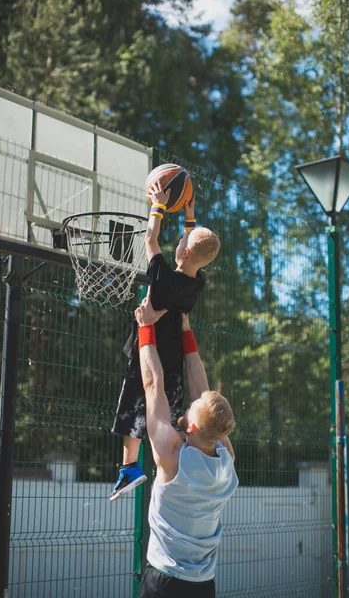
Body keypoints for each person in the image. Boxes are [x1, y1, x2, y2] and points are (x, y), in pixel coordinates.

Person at [110, 179, 221, 501]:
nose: (181, 237)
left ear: (183, 250)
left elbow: (150, 237)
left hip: (147, 352)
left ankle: (129, 468)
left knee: (133, 409)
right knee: (167, 414)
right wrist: (190, 216)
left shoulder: (160, 273)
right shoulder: (196, 284)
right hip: (173, 357)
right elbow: (190, 251)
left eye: (184, 237)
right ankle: (169, 467)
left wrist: (158, 204)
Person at [135, 296, 238, 597]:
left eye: (192, 407)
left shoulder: (172, 455)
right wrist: (185, 329)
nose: (191, 401)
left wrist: (145, 328)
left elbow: (153, 384)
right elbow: (201, 392)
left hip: (164, 581)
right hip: (203, 585)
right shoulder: (225, 457)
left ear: (191, 426)